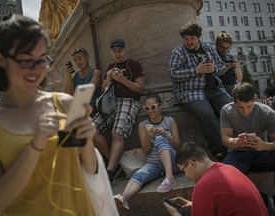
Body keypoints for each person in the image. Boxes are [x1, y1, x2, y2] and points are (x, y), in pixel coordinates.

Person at [0, 15, 118, 216]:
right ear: (0, 59)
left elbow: (89, 169)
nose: (36, 70)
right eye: (25, 60)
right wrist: (34, 146)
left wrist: (85, 142)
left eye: (42, 60)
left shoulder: (64, 104)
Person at [168, 21, 231, 159]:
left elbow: (222, 67)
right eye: (186, 39)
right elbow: (173, 74)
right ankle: (219, 151)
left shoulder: (208, 48)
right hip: (191, 92)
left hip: (214, 89)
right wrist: (195, 70)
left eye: (192, 38)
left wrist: (214, 68)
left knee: (232, 110)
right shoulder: (178, 52)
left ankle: (236, 146)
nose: (189, 42)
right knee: (207, 115)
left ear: (199, 37)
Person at [113, 93, 180, 211]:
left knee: (160, 138)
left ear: (160, 106)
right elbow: (145, 151)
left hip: (172, 160)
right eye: (147, 108)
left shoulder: (170, 121)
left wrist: (165, 135)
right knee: (139, 174)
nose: (150, 111)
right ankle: (123, 198)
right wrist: (148, 138)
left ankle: (169, 177)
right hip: (154, 163)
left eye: (153, 107)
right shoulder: (143, 125)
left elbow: (177, 146)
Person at [163, 142, 268, 216]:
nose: (186, 176)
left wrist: (175, 213)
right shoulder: (230, 168)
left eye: (184, 171)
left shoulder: (203, 185)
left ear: (191, 164)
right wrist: (195, 205)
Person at [93, 38, 145, 184]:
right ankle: (115, 163)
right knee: (90, 129)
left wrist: (122, 80)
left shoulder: (134, 65)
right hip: (110, 103)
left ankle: (109, 172)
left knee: (117, 134)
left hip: (129, 101)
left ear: (124, 50)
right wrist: (109, 78)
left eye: (119, 51)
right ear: (111, 52)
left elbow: (140, 88)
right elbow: (103, 88)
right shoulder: (110, 66)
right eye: (114, 51)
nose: (117, 54)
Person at [220, 82, 275, 174]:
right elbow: (225, 139)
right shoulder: (226, 111)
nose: (245, 111)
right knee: (227, 175)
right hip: (237, 153)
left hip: (261, 152)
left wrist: (264, 145)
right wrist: (237, 142)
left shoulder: (268, 113)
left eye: (249, 106)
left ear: (254, 98)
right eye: (240, 107)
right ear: (233, 101)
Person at [64, 47, 102, 117]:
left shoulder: (95, 73)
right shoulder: (74, 76)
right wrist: (69, 78)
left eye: (79, 59)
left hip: (92, 112)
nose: (78, 62)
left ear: (87, 57)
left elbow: (87, 92)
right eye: (75, 60)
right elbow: (67, 97)